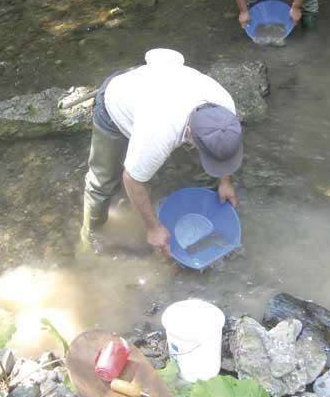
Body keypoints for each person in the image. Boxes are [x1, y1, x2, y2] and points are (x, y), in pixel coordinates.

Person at [81, 49, 243, 257]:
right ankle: (88, 243)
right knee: (102, 184)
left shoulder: (225, 109)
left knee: (201, 174)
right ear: (191, 135)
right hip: (116, 102)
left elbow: (224, 149)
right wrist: (153, 228)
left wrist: (225, 183)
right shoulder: (159, 131)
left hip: (164, 88)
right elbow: (132, 179)